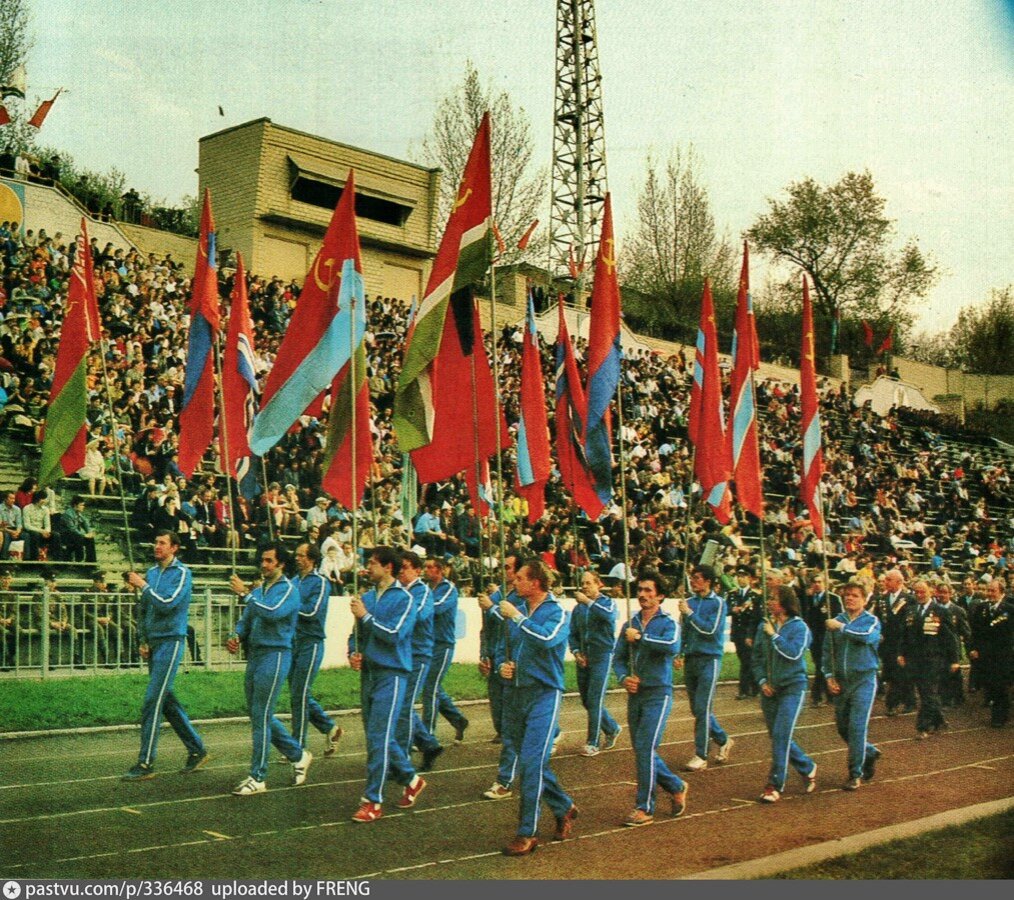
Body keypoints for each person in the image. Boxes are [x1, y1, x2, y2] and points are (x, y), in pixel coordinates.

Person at [496, 559, 577, 856]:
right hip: (516, 694)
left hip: (544, 694)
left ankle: (526, 833)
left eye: (519, 578)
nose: (513, 582)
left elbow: (547, 639)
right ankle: (564, 806)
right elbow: (502, 647)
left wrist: (517, 617)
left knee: (531, 763)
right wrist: (501, 667)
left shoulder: (556, 612)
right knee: (533, 762)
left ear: (536, 582)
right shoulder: (514, 607)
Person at [348, 546, 426, 823]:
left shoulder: (404, 599)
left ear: (388, 568)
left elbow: (394, 635)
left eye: (372, 563)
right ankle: (410, 779)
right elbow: (355, 635)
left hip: (392, 674)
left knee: (379, 738)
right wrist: (353, 653)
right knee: (377, 736)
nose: (368, 568)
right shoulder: (367, 597)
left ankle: (373, 801)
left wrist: (366, 616)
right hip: (369, 673)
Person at [227, 543, 312, 795]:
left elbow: (272, 613)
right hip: (256, 654)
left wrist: (245, 595)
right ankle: (298, 755)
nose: (263, 565)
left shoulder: (289, 590)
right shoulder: (261, 589)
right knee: (258, 714)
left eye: (269, 561)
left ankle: (258, 776)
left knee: (261, 715)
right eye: (262, 560)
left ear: (281, 564)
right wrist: (237, 634)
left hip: (276, 655)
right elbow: (249, 618)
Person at [122, 530, 208, 780]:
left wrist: (143, 586)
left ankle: (145, 763)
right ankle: (197, 749)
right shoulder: (151, 572)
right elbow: (145, 609)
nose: (156, 546)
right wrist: (143, 638)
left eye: (162, 543)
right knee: (166, 701)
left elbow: (168, 603)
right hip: (155, 642)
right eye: (155, 542)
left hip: (172, 641)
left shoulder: (182, 573)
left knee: (153, 701)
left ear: (174, 548)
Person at [613, 572, 688, 826]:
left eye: (648, 590)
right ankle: (676, 785)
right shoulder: (630, 623)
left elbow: (671, 646)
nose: (643, 594)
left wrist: (641, 638)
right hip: (636, 695)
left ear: (660, 596)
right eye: (640, 590)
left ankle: (644, 807)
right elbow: (618, 658)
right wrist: (624, 678)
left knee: (645, 748)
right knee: (642, 750)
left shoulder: (668, 622)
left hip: (659, 693)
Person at [750, 584, 818, 802]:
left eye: (774, 598)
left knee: (781, 734)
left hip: (793, 687)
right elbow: (758, 657)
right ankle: (807, 766)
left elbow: (794, 654)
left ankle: (774, 784)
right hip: (770, 690)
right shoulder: (765, 625)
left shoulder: (800, 628)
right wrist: (762, 681)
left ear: (786, 603)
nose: (769, 602)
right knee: (778, 735)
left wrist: (775, 636)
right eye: (768, 598)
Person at [822, 580, 883, 790]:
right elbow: (827, 652)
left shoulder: (871, 621)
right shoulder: (835, 621)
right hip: (842, 682)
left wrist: (842, 628)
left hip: (864, 680)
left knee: (857, 727)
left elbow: (866, 638)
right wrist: (829, 676)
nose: (849, 598)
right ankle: (869, 751)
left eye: (855, 595)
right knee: (842, 727)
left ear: (864, 600)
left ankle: (854, 773)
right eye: (846, 595)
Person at [678, 564, 733, 770]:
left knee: (702, 708)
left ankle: (701, 754)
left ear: (708, 581)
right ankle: (723, 739)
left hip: (710, 659)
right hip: (691, 659)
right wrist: (679, 652)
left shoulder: (718, 603)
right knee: (697, 709)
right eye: (692, 578)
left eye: (697, 578)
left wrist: (690, 614)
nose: (693, 581)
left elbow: (710, 631)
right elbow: (684, 631)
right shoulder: (689, 602)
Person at [290, 542, 342, 757]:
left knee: (299, 693)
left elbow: (312, 612)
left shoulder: (320, 582)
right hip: (292, 642)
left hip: (311, 642)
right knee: (297, 694)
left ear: (311, 559)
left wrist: (288, 607)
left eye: (301, 555)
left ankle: (297, 746)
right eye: (296, 555)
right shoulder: (292, 581)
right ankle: (330, 728)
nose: (297, 558)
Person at [477, 552, 521, 800]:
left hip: (514, 667)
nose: (505, 571)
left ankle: (505, 779)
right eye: (503, 567)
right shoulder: (499, 594)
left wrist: (492, 608)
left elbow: (510, 623)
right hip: (497, 661)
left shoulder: (519, 600)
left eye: (509, 567)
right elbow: (487, 628)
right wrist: (484, 655)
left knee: (512, 727)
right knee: (503, 721)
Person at [898, 579, 960, 739]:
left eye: (922, 592)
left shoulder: (940, 611)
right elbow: (904, 635)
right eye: (916, 592)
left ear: (931, 591)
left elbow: (950, 637)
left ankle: (923, 726)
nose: (919, 595)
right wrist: (901, 653)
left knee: (928, 692)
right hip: (914, 659)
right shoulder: (910, 611)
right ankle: (939, 720)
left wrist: (955, 659)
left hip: (933, 659)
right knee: (925, 692)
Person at [570, 570, 623, 756]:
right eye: (582, 583)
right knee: (587, 700)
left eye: (588, 583)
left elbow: (608, 616)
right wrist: (576, 652)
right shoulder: (579, 608)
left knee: (594, 699)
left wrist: (588, 602)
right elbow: (573, 633)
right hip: (584, 658)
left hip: (602, 655)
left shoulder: (607, 602)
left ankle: (592, 742)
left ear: (598, 584)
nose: (584, 587)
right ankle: (612, 728)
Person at [395, 551, 439, 770]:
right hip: (402, 654)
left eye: (404, 567)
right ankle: (428, 743)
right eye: (399, 568)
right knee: (401, 705)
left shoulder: (422, 591)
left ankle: (403, 760)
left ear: (416, 570)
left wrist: (398, 611)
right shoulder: (400, 591)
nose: (400, 572)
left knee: (404, 706)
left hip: (419, 654)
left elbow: (419, 615)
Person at [419, 556, 469, 747]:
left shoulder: (448, 588)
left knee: (430, 688)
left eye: (430, 567)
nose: (426, 570)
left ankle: (427, 735)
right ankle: (458, 720)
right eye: (425, 567)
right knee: (432, 688)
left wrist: (421, 607)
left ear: (440, 570)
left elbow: (437, 608)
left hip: (443, 644)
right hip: (428, 643)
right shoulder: (425, 588)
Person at [969, 578, 1013, 728]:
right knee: (990, 685)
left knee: (1000, 685)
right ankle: (998, 712)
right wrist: (973, 648)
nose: (989, 594)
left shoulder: (1009, 609)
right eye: (988, 590)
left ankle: (1000, 716)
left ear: (1001, 592)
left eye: (993, 591)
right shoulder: (981, 608)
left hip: (1003, 655)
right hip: (985, 655)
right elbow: (974, 631)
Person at [876, 568, 916, 715]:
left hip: (903, 643)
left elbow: (910, 623)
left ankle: (899, 702)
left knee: (903, 674)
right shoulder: (882, 599)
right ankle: (900, 702)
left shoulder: (909, 599)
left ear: (899, 582)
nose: (885, 582)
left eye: (888, 580)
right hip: (887, 644)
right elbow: (879, 619)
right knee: (891, 673)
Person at [803, 573, 843, 707]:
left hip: (828, 638)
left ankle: (816, 696)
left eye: (820, 581)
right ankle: (829, 695)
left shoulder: (832, 599)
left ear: (825, 583)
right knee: (821, 666)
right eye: (814, 581)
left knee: (822, 666)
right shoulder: (808, 599)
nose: (817, 584)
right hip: (814, 639)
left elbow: (839, 618)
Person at [935, 581, 971, 707]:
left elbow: (965, 631)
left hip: (953, 647)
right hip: (938, 647)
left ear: (950, 594)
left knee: (955, 674)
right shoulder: (934, 610)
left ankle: (958, 697)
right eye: (940, 592)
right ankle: (944, 698)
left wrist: (969, 646)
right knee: (941, 673)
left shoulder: (958, 610)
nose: (942, 595)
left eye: (945, 593)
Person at [729, 565, 762, 699]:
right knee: (744, 659)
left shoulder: (755, 596)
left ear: (749, 578)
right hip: (737, 631)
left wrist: (751, 634)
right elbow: (726, 609)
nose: (741, 579)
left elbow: (756, 615)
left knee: (747, 660)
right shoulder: (733, 594)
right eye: (739, 577)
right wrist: (733, 610)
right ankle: (754, 687)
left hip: (749, 631)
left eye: (743, 576)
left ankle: (745, 689)